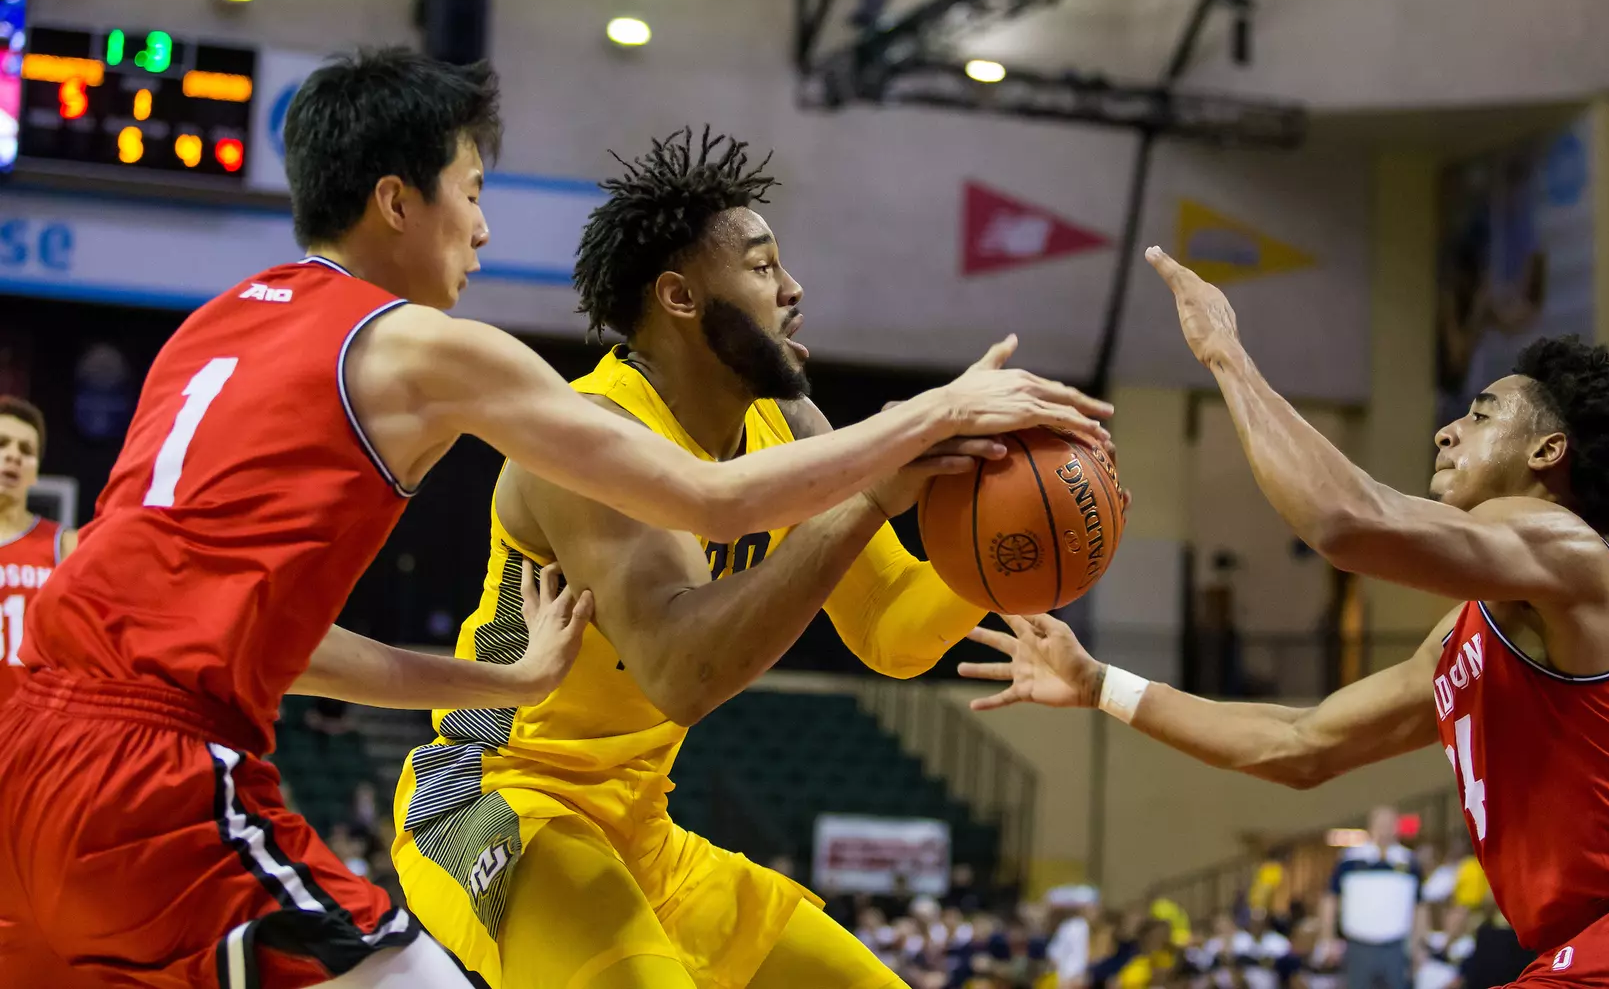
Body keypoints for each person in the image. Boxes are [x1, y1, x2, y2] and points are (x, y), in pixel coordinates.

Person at [0, 51, 1109, 989]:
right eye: (472, 190)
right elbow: (702, 544)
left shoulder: (209, 329)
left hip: (37, 740)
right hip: (472, 801)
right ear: (397, 201)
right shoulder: (444, 356)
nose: (484, 228)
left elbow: (268, 638)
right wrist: (926, 420)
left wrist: (1010, 550)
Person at [391, 128, 1112, 988]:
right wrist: (871, 496)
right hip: (495, 799)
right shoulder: (591, 439)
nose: (794, 289)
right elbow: (682, 672)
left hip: (641, 828)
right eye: (764, 266)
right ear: (680, 297)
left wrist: (1013, 552)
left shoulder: (788, 425)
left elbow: (890, 631)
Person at [959, 245, 1609, 989]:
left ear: (1548, 451)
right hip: (1587, 950)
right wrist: (1101, 685)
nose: (1448, 430)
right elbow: (1300, 746)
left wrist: (1226, 354)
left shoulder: (1567, 549)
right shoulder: (1468, 635)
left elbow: (1344, 520)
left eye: (1481, 416)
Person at [0, 396, 75, 705]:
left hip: (34, 726)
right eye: (2, 444)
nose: (13, 456)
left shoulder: (65, 546)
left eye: (26, 451)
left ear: (35, 472)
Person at [1318, 807, 1421, 989]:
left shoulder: (1409, 861)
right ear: (1371, 826)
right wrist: (1327, 937)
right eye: (1380, 824)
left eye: (1389, 824)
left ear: (1396, 828)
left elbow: (1419, 906)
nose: (1385, 830)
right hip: (1359, 945)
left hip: (1396, 946)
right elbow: (1330, 899)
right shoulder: (1350, 860)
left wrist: (1418, 944)